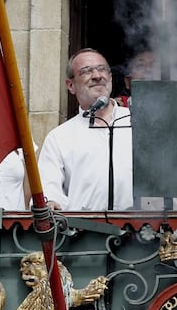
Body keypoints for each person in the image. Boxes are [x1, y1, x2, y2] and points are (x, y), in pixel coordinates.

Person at [38, 48, 133, 211]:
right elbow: (48, 189)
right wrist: (51, 201)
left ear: (110, 78)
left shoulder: (139, 123)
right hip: (83, 232)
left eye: (102, 69)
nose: (97, 76)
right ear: (71, 85)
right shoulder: (59, 137)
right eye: (86, 71)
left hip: (142, 229)